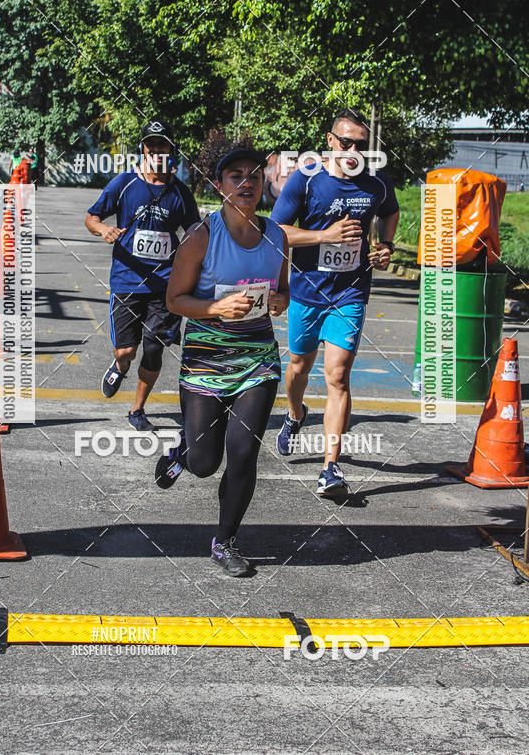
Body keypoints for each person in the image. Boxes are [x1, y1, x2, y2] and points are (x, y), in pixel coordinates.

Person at [155, 148, 289, 577]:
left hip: (257, 359)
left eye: (253, 175)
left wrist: (280, 301)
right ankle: (182, 453)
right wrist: (216, 308)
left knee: (244, 452)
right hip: (206, 359)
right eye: (236, 176)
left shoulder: (278, 237)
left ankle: (225, 541)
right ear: (220, 186)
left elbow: (281, 293)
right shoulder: (201, 236)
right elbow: (174, 300)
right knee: (204, 464)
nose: (246, 183)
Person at [271, 108, 399, 498]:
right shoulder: (306, 181)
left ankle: (331, 468)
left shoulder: (377, 184)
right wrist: (323, 236)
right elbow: (275, 232)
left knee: (338, 375)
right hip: (307, 292)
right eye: (346, 142)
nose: (353, 150)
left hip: (350, 292)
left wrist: (386, 245)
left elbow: (391, 213)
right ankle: (295, 413)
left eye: (361, 144)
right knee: (297, 366)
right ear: (330, 141)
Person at [85, 120, 200, 431]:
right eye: (151, 146)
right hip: (127, 280)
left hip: (164, 284)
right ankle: (120, 366)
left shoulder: (180, 192)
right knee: (126, 351)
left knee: (153, 347)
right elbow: (91, 217)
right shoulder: (123, 183)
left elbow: (194, 233)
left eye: (162, 146)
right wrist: (103, 229)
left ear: (171, 151)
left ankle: (137, 409)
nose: (157, 151)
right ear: (144, 151)